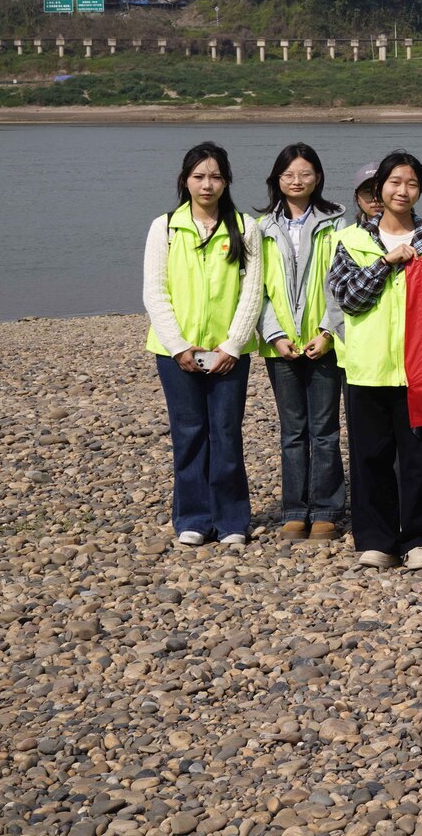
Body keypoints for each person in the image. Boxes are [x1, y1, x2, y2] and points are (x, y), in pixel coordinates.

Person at [328, 151, 422, 570]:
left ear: (420, 191)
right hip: (368, 365)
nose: (403, 190)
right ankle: (376, 539)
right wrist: (385, 262)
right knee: (370, 457)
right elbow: (349, 299)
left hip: (421, 367)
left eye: (412, 183)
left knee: (421, 458)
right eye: (395, 182)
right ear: (379, 188)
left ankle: (420, 539)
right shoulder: (350, 240)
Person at [144, 141, 264, 548]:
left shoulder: (246, 227)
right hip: (174, 351)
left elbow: (252, 291)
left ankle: (232, 519)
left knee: (226, 432)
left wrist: (233, 345)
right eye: (199, 176)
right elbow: (155, 292)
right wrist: (178, 346)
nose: (207, 184)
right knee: (190, 432)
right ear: (185, 180)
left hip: (229, 351)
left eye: (215, 176)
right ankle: (193, 517)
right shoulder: (165, 227)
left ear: (226, 180)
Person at [254, 143, 346, 542]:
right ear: (277, 179)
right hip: (281, 345)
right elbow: (253, 289)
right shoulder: (259, 228)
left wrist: (327, 332)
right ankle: (294, 509)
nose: (297, 180)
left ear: (318, 178)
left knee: (324, 429)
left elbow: (341, 283)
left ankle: (325, 509)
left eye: (305, 173)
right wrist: (273, 335)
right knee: (292, 430)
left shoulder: (338, 223)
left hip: (323, 341)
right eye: (289, 174)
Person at [350, 163, 382, 227]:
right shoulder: (346, 235)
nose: (375, 199)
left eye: (380, 192)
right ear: (357, 198)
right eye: (368, 192)